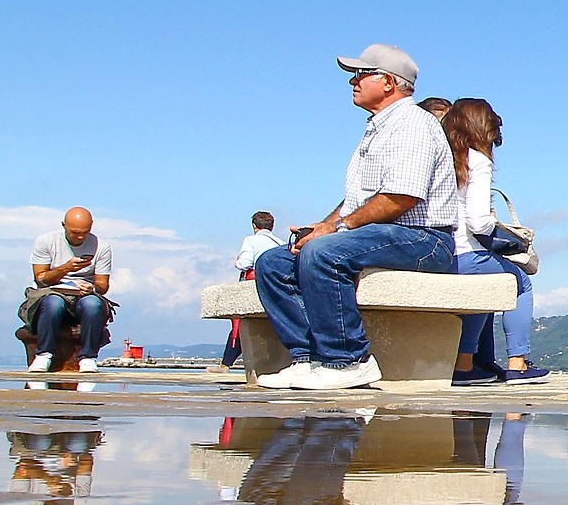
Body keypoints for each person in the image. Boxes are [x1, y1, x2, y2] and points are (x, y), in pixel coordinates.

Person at [250, 44, 463, 391]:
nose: (353, 80)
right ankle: (307, 359)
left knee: (324, 254)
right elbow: (356, 201)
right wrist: (320, 228)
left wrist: (336, 230)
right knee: (273, 262)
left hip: (424, 239)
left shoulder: (411, 124)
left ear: (390, 83)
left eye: (362, 73)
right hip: (385, 233)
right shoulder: (379, 127)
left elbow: (401, 196)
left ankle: (349, 361)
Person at [444, 98, 546, 385]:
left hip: (440, 253)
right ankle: (518, 363)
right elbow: (477, 223)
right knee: (520, 284)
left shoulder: (440, 158)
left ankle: (464, 367)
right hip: (466, 253)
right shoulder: (477, 160)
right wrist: (493, 221)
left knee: (485, 291)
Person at [26, 207, 112, 373]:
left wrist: (92, 287)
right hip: (53, 290)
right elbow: (41, 279)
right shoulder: (46, 241)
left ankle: (88, 358)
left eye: (85, 232)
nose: (80, 237)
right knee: (53, 304)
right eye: (74, 232)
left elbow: (103, 286)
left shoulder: (102, 247)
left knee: (93, 305)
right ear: (63, 225)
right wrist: (65, 269)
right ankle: (43, 355)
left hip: (84, 293)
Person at [222, 211, 280, 367]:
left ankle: (226, 364)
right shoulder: (280, 243)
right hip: (275, 285)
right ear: (272, 226)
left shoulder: (251, 240)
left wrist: (237, 261)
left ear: (254, 226)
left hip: (254, 284)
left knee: (239, 325)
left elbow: (245, 264)